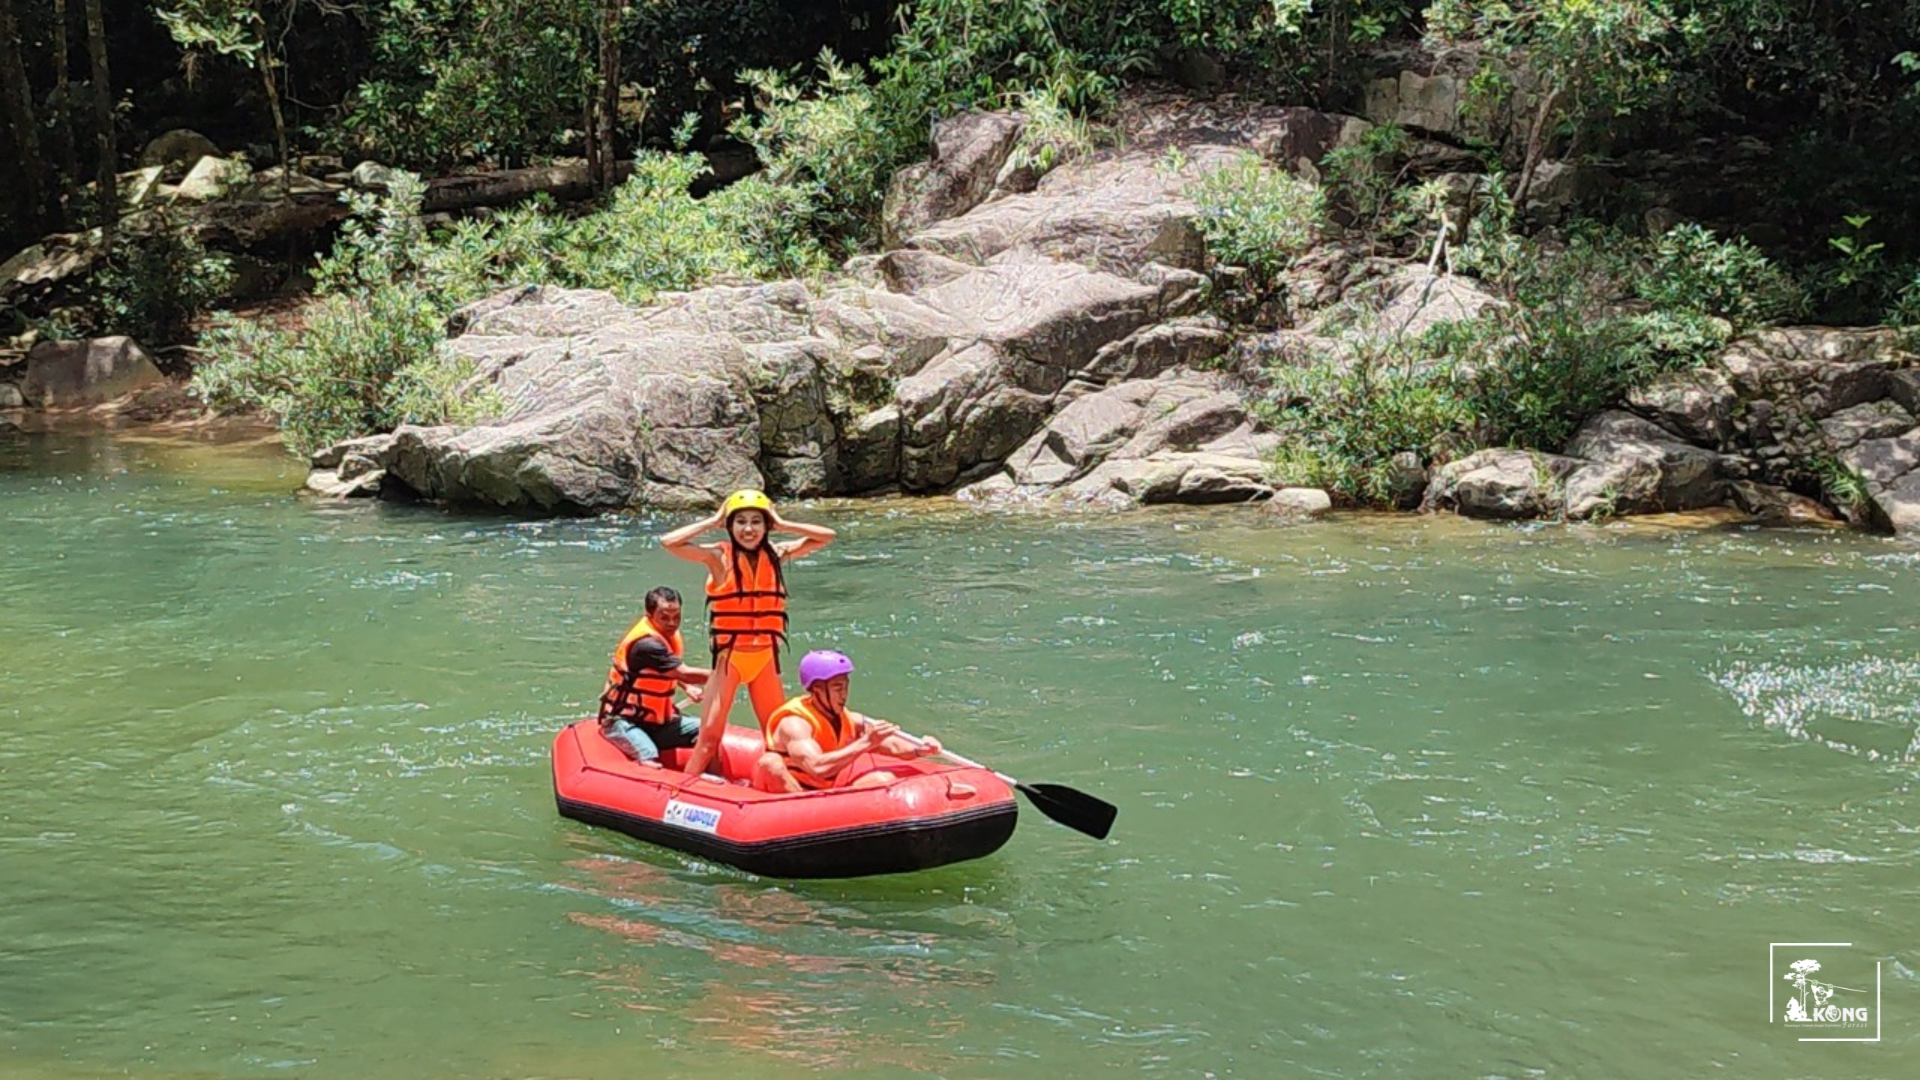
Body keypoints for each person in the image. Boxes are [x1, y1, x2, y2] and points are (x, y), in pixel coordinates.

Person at [661, 489, 836, 777]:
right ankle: (681, 793)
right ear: (730, 527)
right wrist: (714, 519)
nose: (749, 529)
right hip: (730, 661)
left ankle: (777, 785)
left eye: (757, 521)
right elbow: (669, 542)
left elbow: (826, 536)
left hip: (765, 660)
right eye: (740, 521)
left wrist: (781, 522)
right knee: (708, 740)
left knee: (777, 734)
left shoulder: (777, 554)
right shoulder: (719, 557)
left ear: (766, 526)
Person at [751, 649, 949, 793]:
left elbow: (891, 744)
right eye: (837, 688)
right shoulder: (794, 724)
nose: (844, 695)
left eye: (845, 687)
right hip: (787, 795)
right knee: (770, 763)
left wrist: (919, 749)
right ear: (817, 690)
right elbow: (817, 767)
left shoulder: (848, 719)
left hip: (820, 796)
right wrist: (866, 742)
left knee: (882, 779)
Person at [596, 586, 711, 765]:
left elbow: (664, 669)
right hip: (623, 721)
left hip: (656, 722)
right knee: (648, 754)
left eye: (676, 617)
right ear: (650, 615)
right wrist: (729, 675)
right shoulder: (647, 645)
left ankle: (712, 781)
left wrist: (687, 688)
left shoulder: (665, 636)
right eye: (664, 617)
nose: (672, 623)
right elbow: (684, 673)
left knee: (709, 733)